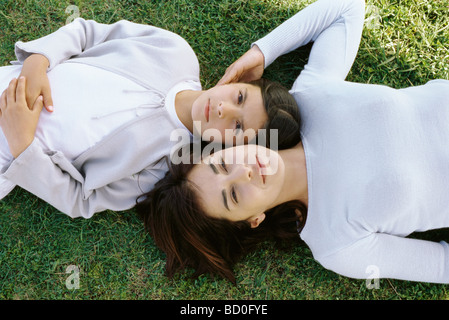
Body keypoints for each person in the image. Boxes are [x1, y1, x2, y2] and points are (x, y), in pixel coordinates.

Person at [137, 0, 449, 284]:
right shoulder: (336, 245)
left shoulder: (308, 99)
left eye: (223, 163)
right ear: (251, 220)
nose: (243, 172)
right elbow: (441, 266)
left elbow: (346, 9)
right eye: (232, 195)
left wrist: (262, 52)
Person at [0, 17, 301, 218]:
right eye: (239, 98)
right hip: (11, 81)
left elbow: (82, 200)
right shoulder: (175, 52)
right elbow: (88, 33)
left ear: (232, 149)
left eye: (237, 126)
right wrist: (37, 63)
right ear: (238, 82)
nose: (224, 111)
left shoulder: (162, 168)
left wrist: (22, 147)